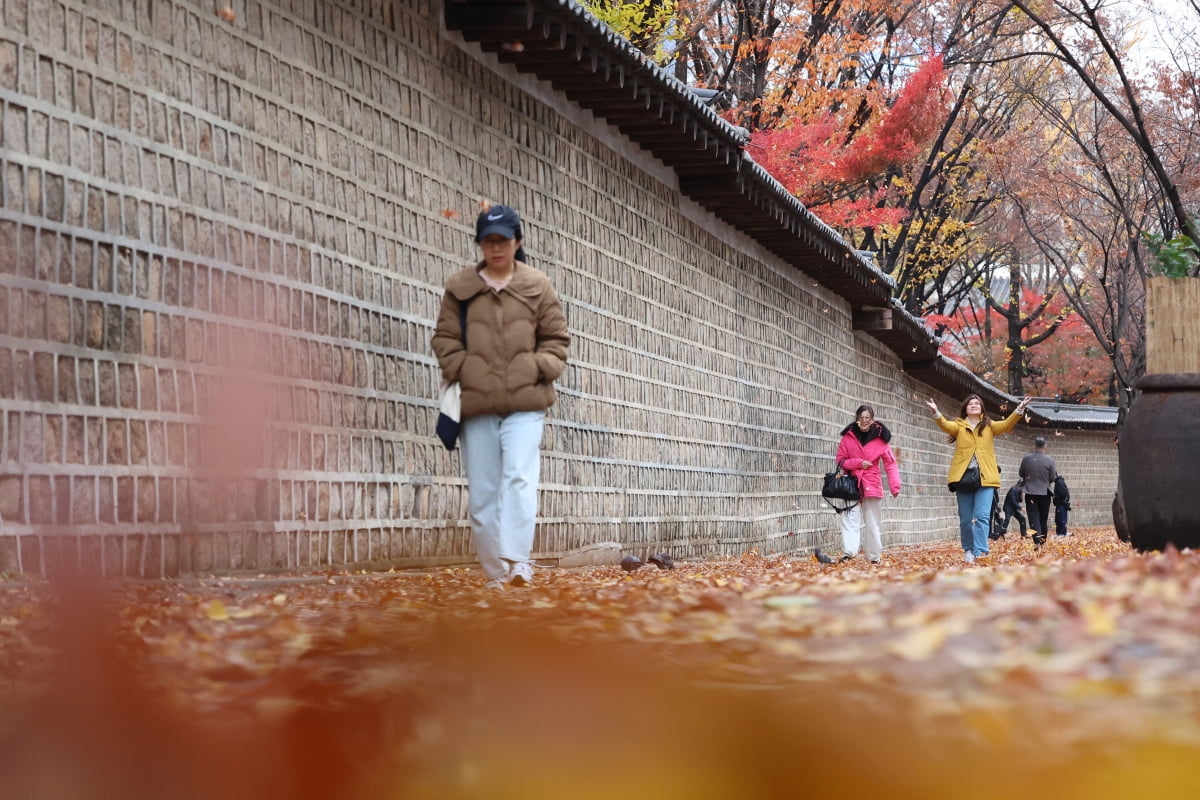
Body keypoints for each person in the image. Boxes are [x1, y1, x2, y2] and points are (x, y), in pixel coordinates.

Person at [431, 204, 570, 589]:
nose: (496, 249)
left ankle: (519, 562)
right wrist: (463, 368)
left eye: (503, 241)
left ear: (516, 242)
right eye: (488, 241)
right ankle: (496, 573)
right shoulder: (460, 288)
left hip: (526, 401)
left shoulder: (537, 285)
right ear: (480, 244)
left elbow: (557, 340)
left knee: (520, 478)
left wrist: (538, 366)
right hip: (477, 403)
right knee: (483, 492)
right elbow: (444, 338)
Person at [926, 394, 1032, 563]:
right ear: (965, 408)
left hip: (985, 478)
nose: (974, 405)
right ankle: (968, 549)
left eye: (977, 403)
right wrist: (936, 412)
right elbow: (945, 425)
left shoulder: (989, 426)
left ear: (982, 408)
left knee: (982, 516)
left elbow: (1006, 424)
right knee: (966, 519)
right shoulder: (959, 426)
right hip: (963, 479)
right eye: (970, 404)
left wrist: (1019, 409)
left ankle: (980, 551)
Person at [833, 405, 901, 564]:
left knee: (872, 522)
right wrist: (858, 463)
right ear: (857, 419)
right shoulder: (848, 437)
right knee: (849, 518)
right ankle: (849, 552)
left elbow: (890, 464)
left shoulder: (880, 439)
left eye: (867, 418)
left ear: (872, 420)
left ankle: (873, 556)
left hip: (872, 483)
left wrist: (894, 485)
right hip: (851, 484)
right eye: (861, 417)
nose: (864, 421)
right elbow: (840, 460)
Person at [1019, 436, 1057, 547]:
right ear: (1045, 446)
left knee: (1033, 517)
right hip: (1045, 493)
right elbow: (1053, 477)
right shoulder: (1050, 460)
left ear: (1033, 445)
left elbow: (1021, 473)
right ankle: (1042, 541)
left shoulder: (1026, 459)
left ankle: (1037, 542)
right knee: (1043, 518)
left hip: (1030, 492)